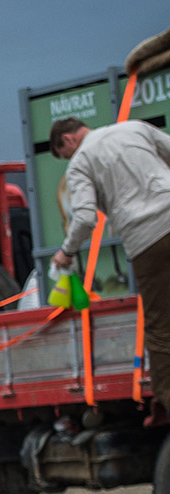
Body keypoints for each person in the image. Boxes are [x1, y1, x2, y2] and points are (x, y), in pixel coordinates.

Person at [49, 116, 170, 409]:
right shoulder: (135, 128)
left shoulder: (81, 162)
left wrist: (67, 251)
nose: (68, 158)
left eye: (64, 154)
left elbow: (85, 218)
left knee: (161, 330)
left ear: (68, 140)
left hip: (149, 241)